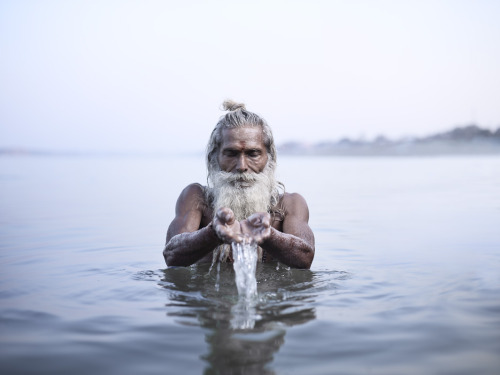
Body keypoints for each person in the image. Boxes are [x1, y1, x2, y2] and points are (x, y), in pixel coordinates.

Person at [163, 100, 315, 269]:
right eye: (231, 153)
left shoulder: (290, 204)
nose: (242, 166)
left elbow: (305, 257)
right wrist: (212, 233)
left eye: (253, 153)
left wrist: (269, 235)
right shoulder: (196, 198)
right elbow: (171, 255)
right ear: (215, 158)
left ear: (269, 157)